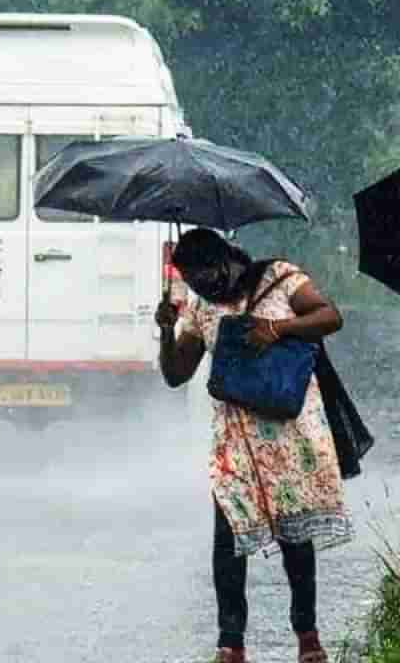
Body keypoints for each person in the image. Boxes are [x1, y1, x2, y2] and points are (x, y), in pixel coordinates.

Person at [155, 228, 351, 663]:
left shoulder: (280, 278)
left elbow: (329, 316)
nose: (206, 288)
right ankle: (231, 644)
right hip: (235, 442)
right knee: (227, 539)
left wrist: (277, 328)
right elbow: (176, 375)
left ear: (228, 260)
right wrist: (167, 332)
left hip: (289, 435)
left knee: (295, 539)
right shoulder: (201, 308)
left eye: (209, 277)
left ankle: (308, 637)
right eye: (195, 282)